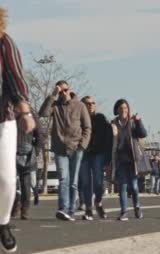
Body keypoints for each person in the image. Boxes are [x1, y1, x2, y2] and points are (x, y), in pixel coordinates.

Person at [0, 8, 36, 251]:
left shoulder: (4, 43)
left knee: (6, 180)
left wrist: (23, 108)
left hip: (3, 117)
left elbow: (15, 76)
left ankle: (2, 222)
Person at [39, 80, 91, 221]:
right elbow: (42, 113)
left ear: (69, 89)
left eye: (65, 90)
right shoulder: (55, 106)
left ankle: (71, 210)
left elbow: (87, 127)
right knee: (63, 179)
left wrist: (83, 145)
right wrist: (52, 95)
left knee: (73, 181)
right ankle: (63, 208)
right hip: (60, 148)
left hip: (76, 148)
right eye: (60, 91)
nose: (63, 93)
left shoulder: (80, 106)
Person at [109, 99, 148, 221]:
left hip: (133, 160)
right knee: (122, 187)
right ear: (117, 110)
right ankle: (124, 211)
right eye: (121, 108)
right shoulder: (113, 124)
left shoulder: (132, 123)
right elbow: (110, 141)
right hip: (120, 159)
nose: (123, 110)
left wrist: (139, 121)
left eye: (125, 108)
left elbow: (142, 134)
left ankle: (137, 207)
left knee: (134, 186)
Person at [78, 96, 111, 220]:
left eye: (93, 103)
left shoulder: (101, 118)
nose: (90, 105)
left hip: (98, 154)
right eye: (87, 103)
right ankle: (88, 208)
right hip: (84, 154)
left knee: (98, 181)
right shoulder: (78, 120)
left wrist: (107, 158)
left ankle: (98, 201)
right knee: (86, 181)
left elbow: (108, 138)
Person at [15, 112, 42, 220]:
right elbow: (40, 133)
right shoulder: (32, 114)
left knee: (11, 180)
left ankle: (15, 202)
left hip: (11, 147)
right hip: (28, 148)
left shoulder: (8, 112)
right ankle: (24, 209)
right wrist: (36, 149)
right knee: (25, 180)